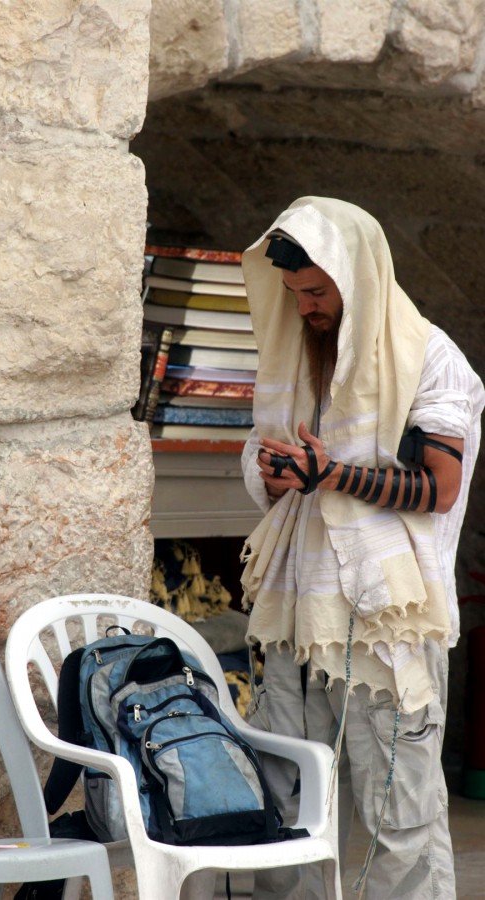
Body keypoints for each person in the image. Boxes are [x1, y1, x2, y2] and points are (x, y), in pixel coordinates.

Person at [239, 197, 484, 899]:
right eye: (294, 294)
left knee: (396, 814)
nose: (306, 308)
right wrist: (272, 472)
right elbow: (262, 452)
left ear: (360, 279)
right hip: (298, 611)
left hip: (389, 624)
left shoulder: (432, 358)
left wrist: (330, 475)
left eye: (317, 292)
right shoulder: (294, 351)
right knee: (288, 803)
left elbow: (439, 486)